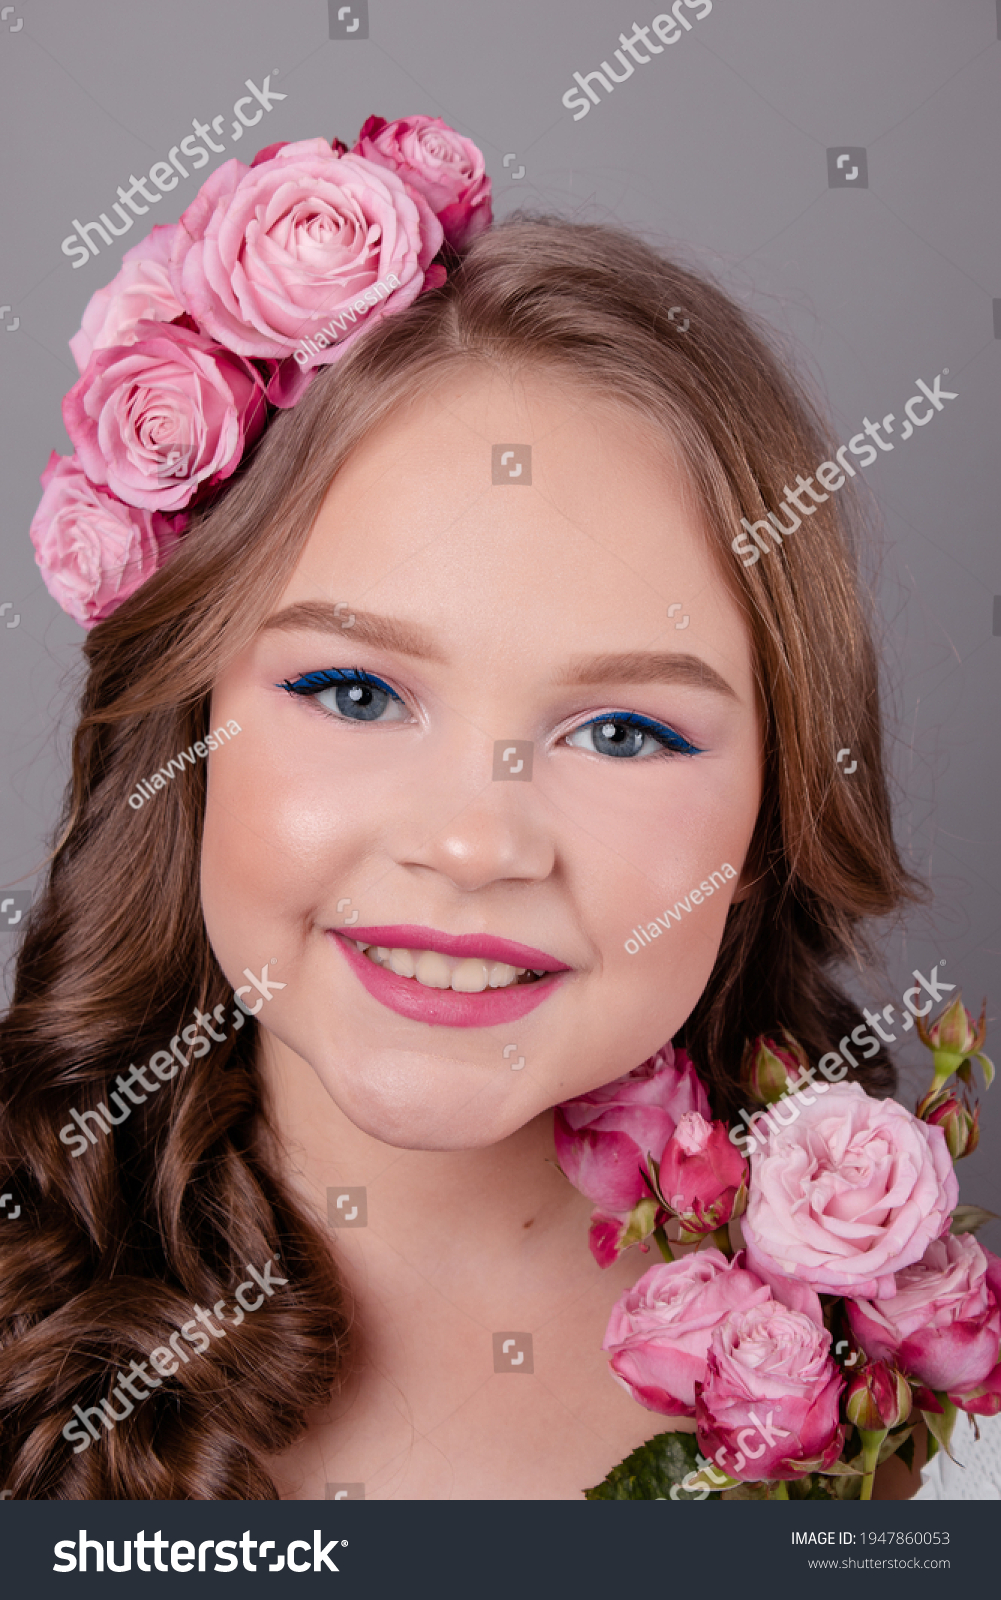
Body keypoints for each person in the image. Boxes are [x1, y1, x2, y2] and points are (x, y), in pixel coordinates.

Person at [0, 122, 919, 1499]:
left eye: (622, 730)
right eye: (357, 694)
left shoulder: (929, 1418)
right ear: (187, 724)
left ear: (771, 819)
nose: (475, 844)